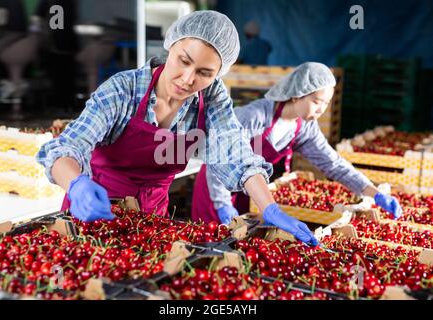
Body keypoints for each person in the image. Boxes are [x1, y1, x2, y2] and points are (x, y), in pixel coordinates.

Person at [37, 11, 319, 246]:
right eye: (184, 61)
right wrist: (76, 185)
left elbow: (235, 154)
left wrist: (269, 207)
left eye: (204, 73)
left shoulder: (211, 98)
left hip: (152, 220)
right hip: (93, 210)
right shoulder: (123, 90)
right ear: (171, 45)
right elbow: (70, 146)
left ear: (217, 74)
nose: (187, 79)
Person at [191, 62, 402, 225]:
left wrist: (374, 193)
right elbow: (219, 156)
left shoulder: (305, 128)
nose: (321, 110)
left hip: (250, 192)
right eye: (316, 102)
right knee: (209, 246)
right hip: (215, 189)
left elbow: (334, 164)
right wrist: (222, 204)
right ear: (296, 95)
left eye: (326, 104)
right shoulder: (255, 116)